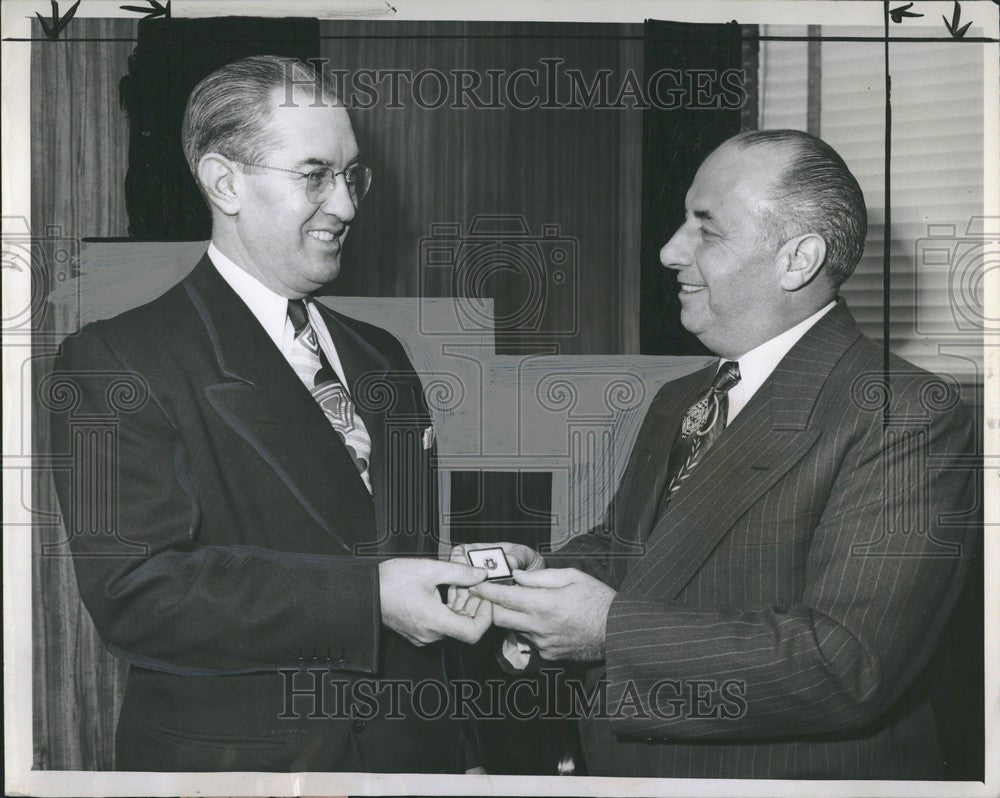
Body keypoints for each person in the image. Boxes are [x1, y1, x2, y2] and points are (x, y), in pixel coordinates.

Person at [455, 129, 976, 779]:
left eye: (707, 229)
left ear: (798, 260)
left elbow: (847, 666)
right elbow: (638, 554)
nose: (670, 251)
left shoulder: (904, 414)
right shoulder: (685, 396)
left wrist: (611, 631)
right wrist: (537, 577)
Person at [48, 55, 491, 772]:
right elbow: (138, 594)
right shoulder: (115, 361)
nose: (346, 205)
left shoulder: (381, 357)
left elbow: (400, 558)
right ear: (225, 182)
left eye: (354, 176)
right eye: (315, 175)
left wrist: (461, 746)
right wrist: (367, 598)